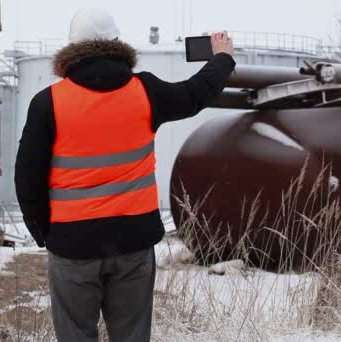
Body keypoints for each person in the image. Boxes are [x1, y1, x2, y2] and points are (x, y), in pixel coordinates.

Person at [14, 8, 235, 342]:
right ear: (117, 42)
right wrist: (222, 59)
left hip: (72, 246)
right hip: (133, 242)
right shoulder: (144, 91)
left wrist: (46, 233)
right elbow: (195, 94)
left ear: (71, 48)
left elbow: (27, 177)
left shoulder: (49, 102)